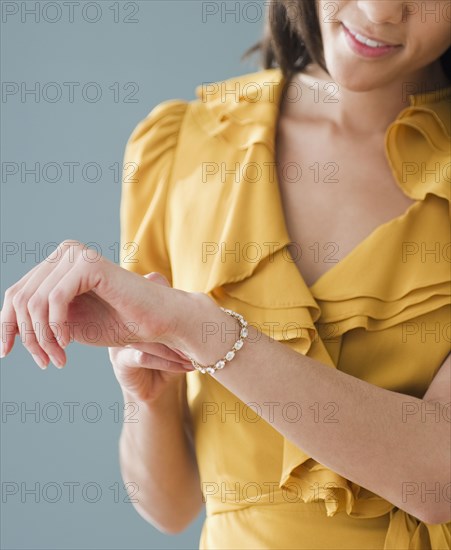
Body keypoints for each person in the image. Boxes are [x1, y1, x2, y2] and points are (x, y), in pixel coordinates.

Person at [1, 1, 450, 548]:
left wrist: (205, 332)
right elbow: (171, 507)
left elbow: (437, 478)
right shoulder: (181, 148)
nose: (379, 9)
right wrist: (146, 396)